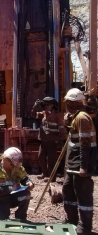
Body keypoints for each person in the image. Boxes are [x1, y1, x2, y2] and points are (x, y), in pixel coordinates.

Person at [62, 88, 97, 235]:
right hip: (72, 163)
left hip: (80, 164)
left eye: (68, 103)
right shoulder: (75, 117)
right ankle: (72, 220)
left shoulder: (82, 118)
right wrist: (66, 123)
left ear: (72, 103)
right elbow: (71, 138)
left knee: (83, 195)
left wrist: (84, 167)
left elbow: (85, 144)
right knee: (68, 190)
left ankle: (85, 227)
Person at [0, 147, 34, 220]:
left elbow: (24, 178)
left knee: (26, 194)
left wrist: (29, 183)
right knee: (0, 223)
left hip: (14, 197)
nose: (14, 166)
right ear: (5, 159)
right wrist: (11, 188)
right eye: (12, 164)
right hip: (0, 198)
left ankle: (21, 218)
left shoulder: (18, 167)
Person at [31, 97, 66, 182]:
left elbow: (62, 128)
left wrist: (61, 139)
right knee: (41, 157)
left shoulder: (57, 115)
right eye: (45, 104)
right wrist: (35, 107)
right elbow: (33, 115)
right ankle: (45, 174)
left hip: (52, 141)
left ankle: (52, 177)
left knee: (51, 160)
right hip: (43, 140)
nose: (46, 106)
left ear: (52, 105)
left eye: (48, 104)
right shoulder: (44, 113)